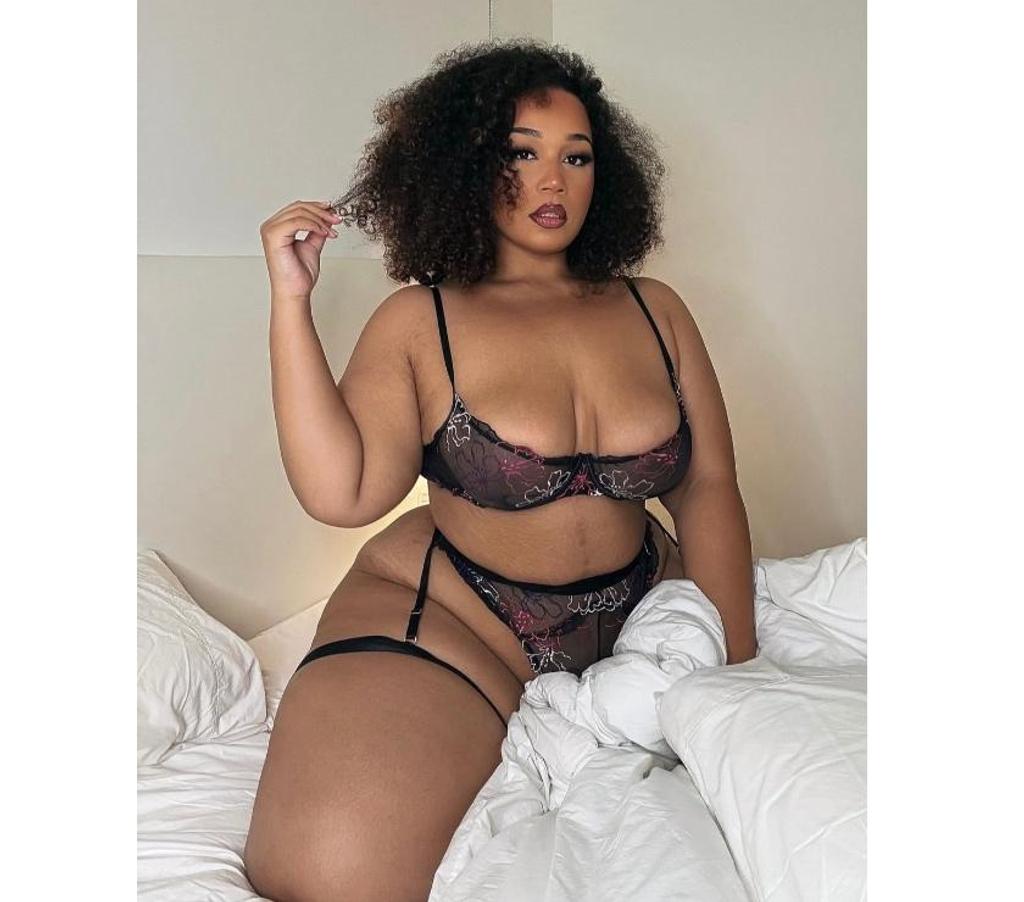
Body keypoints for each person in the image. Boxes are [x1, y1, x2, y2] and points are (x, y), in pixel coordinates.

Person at [244, 38, 756, 902]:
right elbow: (345, 492)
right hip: (460, 620)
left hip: (640, 611)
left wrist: (735, 676)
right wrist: (291, 302)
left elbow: (707, 487)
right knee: (328, 870)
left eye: (577, 157)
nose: (554, 180)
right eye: (523, 153)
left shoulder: (655, 309)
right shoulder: (421, 320)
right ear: (468, 166)